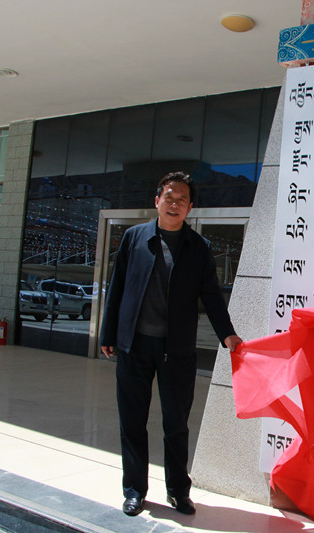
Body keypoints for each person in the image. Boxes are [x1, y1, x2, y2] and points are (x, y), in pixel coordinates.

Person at [100, 171, 242, 517]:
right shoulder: (134, 238)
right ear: (157, 201)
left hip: (176, 351)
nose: (174, 204)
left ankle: (178, 491)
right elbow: (117, 287)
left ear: (190, 208)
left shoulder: (199, 247)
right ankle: (134, 490)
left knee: (176, 425)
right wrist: (108, 333)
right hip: (134, 346)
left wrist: (227, 333)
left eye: (182, 199)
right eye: (169, 197)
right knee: (132, 421)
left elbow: (211, 295)